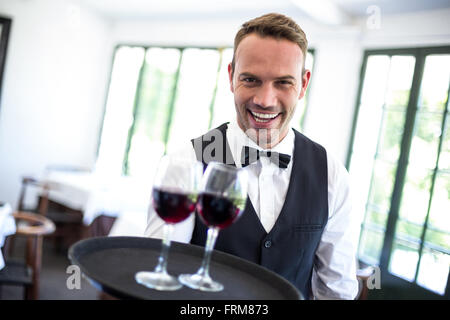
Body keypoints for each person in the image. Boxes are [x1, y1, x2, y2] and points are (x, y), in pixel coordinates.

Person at [145, 13, 361, 300]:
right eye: (251, 79)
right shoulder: (188, 160)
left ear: (303, 84)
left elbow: (337, 290)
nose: (265, 100)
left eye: (283, 83)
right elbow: (161, 276)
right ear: (232, 77)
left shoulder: (332, 174)